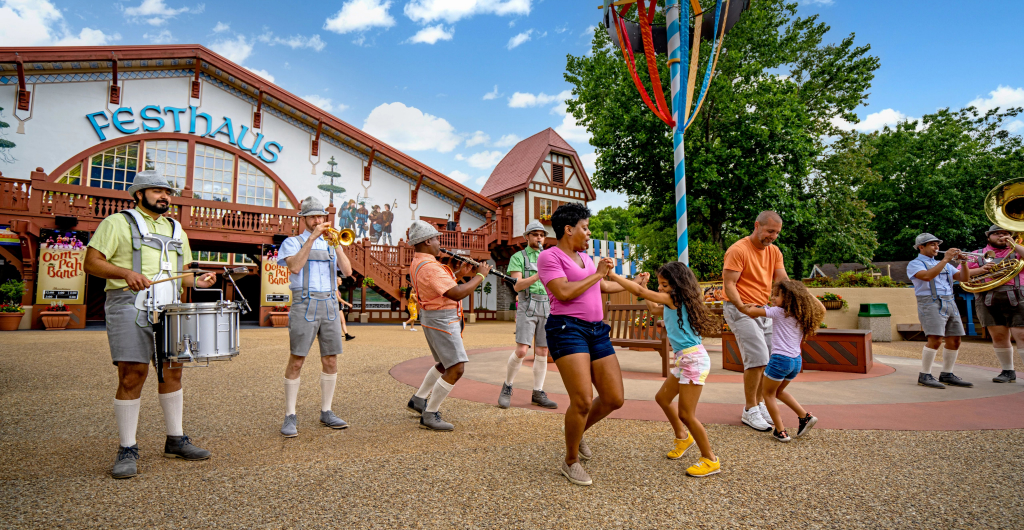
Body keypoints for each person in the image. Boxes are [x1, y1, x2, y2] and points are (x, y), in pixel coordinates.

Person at [84, 170, 218, 479]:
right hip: (128, 304)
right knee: (132, 374)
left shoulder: (176, 228)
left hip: (170, 306)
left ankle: (176, 439)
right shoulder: (117, 222)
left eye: (167, 192)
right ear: (138, 194)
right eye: (156, 190)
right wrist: (124, 273)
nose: (164, 196)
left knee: (173, 370)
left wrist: (198, 280)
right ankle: (127, 448)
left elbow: (183, 274)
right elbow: (91, 262)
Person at [537, 203, 628, 487]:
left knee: (614, 398)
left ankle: (576, 433)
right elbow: (563, 292)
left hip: (597, 330)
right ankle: (570, 460)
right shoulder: (549, 257)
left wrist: (632, 282)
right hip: (567, 329)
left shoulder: (585, 259)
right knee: (583, 400)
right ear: (569, 229)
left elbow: (600, 286)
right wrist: (599, 274)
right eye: (585, 228)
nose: (588, 234)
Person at [607, 263, 722, 477]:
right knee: (662, 398)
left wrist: (613, 275)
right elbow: (651, 308)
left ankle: (710, 459)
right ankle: (683, 437)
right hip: (684, 359)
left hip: (693, 360)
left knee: (686, 414)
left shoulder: (675, 299)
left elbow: (640, 293)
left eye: (664, 284)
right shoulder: (674, 301)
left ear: (677, 285)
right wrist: (645, 285)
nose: (660, 288)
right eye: (659, 284)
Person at [278, 197, 354, 438]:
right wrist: (312, 238)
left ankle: (327, 411)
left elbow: (348, 271)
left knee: (331, 360)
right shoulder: (293, 242)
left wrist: (337, 245)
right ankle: (290, 415)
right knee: (297, 359)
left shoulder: (332, 242)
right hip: (305, 302)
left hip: (330, 303)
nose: (318, 221)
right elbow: (295, 267)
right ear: (304, 219)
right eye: (312, 217)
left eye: (321, 216)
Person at [405, 220, 491, 431]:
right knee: (456, 368)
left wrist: (460, 274)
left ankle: (419, 399)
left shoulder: (419, 262)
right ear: (426, 242)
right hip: (443, 319)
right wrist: (480, 276)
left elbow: (441, 286)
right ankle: (430, 413)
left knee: (444, 363)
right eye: (436, 239)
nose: (438, 243)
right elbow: (456, 293)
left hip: (433, 317)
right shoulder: (431, 267)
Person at [722, 211, 789, 432]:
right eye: (770, 231)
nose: (773, 236)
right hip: (739, 308)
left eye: (777, 233)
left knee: (770, 358)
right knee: (758, 357)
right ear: (757, 225)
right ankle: (750, 410)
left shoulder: (774, 251)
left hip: (763, 310)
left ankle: (760, 404)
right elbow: (730, 284)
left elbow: (782, 280)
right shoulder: (738, 250)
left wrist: (796, 300)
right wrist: (742, 308)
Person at [737, 280, 826, 442]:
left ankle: (781, 430)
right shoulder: (801, 315)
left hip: (780, 360)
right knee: (778, 392)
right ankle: (804, 416)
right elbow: (822, 308)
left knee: (767, 393)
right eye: (772, 294)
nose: (772, 297)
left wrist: (747, 306)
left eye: (777, 295)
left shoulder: (778, 312)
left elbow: (750, 312)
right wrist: (805, 294)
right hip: (796, 361)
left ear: (790, 298)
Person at [498, 221, 557, 409]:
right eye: (535, 234)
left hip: (547, 305)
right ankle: (507, 386)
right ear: (527, 237)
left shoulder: (549, 256)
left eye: (542, 235)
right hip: (527, 303)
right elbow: (517, 285)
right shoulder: (518, 257)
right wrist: (538, 275)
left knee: (543, 351)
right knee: (522, 350)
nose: (539, 237)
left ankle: (538, 392)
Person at [906, 234, 973, 389]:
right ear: (920, 247)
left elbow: (964, 278)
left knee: (955, 339)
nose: (937, 247)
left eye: (937, 244)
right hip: (930, 302)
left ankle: (947, 374)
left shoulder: (944, 264)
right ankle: (925, 374)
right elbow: (927, 276)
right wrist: (946, 260)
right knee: (935, 338)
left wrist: (963, 263)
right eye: (932, 244)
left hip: (950, 300)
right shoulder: (915, 264)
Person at [963, 225, 1024, 383]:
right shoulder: (976, 254)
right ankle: (1007, 371)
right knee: (998, 336)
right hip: (987, 297)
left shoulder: (1018, 251)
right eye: (997, 234)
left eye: (1005, 233)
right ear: (988, 237)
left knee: (1022, 336)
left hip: (1017, 295)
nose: (1001, 236)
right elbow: (960, 275)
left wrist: (1014, 244)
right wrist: (982, 270)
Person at [335, 275, 356, 341]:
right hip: (335, 306)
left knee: (342, 321)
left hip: (338, 305)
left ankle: (346, 335)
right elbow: (338, 298)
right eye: (340, 280)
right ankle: (340, 334)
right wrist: (348, 304)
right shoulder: (335, 288)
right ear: (336, 281)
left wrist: (342, 302)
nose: (341, 281)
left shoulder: (337, 288)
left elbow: (339, 298)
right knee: (338, 321)